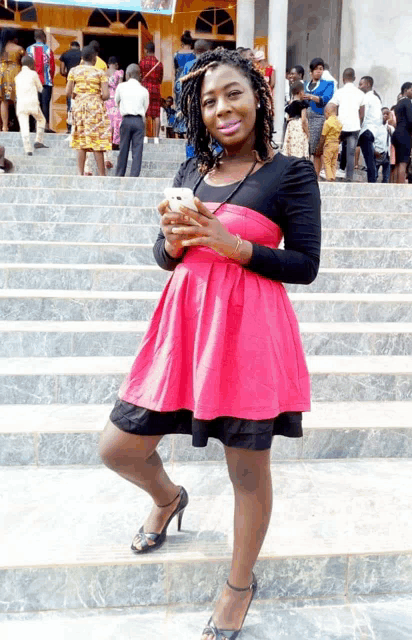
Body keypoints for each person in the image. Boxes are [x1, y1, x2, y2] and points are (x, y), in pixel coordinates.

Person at [98, 47, 320, 640]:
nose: (222, 107)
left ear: (258, 98)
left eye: (234, 93)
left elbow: (305, 264)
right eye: (209, 99)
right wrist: (173, 241)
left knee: (247, 472)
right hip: (183, 331)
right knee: (118, 447)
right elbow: (165, 257)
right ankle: (168, 498)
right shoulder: (191, 171)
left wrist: (231, 243)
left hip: (249, 335)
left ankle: (239, 584)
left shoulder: (290, 173)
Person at [66, 45, 111, 176]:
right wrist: (96, 97)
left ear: (81, 58)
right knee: (96, 140)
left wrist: (78, 96)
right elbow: (107, 95)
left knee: (81, 140)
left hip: (79, 108)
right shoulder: (100, 73)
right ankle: (102, 175)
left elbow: (68, 92)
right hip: (95, 108)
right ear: (94, 59)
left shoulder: (74, 71)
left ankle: (80, 173)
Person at [330, 67, 366, 181]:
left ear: (343, 79)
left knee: (334, 149)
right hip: (354, 126)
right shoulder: (360, 93)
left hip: (340, 125)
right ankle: (349, 178)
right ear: (354, 78)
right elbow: (362, 113)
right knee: (350, 153)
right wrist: (358, 123)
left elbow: (333, 108)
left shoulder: (339, 92)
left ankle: (331, 173)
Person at [115, 63, 149, 178]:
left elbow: (116, 101)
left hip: (126, 120)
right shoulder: (144, 90)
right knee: (137, 151)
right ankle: (134, 176)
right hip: (139, 121)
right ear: (139, 75)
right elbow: (146, 107)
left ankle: (120, 174)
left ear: (128, 74)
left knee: (123, 148)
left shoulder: (121, 87)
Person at [304, 57, 335, 175]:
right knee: (305, 147)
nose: (319, 71)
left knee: (316, 149)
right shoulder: (305, 84)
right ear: (311, 71)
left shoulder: (328, 84)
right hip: (305, 118)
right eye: (316, 69)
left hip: (318, 117)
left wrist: (311, 97)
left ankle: (315, 176)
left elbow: (325, 99)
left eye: (321, 69)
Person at [14, 55, 48, 156]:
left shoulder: (17, 76)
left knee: (24, 126)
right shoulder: (33, 74)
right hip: (32, 103)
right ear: (31, 64)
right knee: (41, 120)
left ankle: (28, 149)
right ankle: (38, 140)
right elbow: (40, 88)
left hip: (20, 104)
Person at [26, 29, 55, 132]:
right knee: (45, 104)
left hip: (33, 82)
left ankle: (36, 126)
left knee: (35, 104)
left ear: (35, 38)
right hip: (46, 82)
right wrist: (51, 79)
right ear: (44, 37)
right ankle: (46, 126)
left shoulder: (29, 50)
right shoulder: (48, 50)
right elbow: (52, 67)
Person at [358, 75, 383, 183]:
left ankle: (372, 180)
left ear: (368, 84)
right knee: (369, 157)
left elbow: (363, 115)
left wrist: (358, 127)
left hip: (366, 130)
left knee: (368, 158)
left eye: (360, 84)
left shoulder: (367, 98)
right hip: (373, 130)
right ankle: (373, 178)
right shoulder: (376, 98)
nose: (359, 87)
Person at [0, 28, 24, 132]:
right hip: (15, 74)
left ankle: (4, 126)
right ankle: (21, 126)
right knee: (17, 100)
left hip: (1, 73)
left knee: (3, 100)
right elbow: (27, 62)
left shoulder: (1, 48)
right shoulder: (19, 49)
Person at [391, 82, 412, 183]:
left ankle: (396, 184)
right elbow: (410, 120)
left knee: (397, 162)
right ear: (405, 91)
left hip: (396, 133)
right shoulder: (408, 102)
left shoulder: (398, 104)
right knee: (403, 162)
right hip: (405, 134)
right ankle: (401, 187)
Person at [139, 41, 163, 142]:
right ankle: (156, 138)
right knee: (156, 114)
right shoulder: (159, 64)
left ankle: (145, 137)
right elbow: (160, 79)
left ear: (146, 50)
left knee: (144, 113)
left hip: (145, 89)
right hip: (156, 89)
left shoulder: (142, 62)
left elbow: (139, 76)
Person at [173, 30, 195, 139]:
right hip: (190, 81)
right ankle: (188, 130)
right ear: (191, 43)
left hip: (179, 82)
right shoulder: (194, 55)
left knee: (179, 105)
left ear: (182, 42)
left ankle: (178, 131)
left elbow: (175, 69)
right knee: (189, 105)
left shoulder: (176, 54)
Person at [282, 80, 309, 158]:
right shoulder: (303, 104)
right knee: (300, 149)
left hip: (291, 127)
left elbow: (287, 119)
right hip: (299, 127)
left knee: (291, 149)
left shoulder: (289, 106)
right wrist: (307, 133)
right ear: (300, 92)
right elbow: (304, 120)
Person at [317, 102, 342, 181]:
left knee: (327, 161)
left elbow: (323, 136)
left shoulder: (327, 122)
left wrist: (320, 147)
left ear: (327, 112)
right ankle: (333, 176)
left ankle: (329, 177)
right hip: (336, 144)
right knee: (334, 162)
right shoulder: (339, 122)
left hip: (328, 144)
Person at [60, 41, 81, 133]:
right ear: (79, 47)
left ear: (70, 46)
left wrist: (68, 75)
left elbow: (62, 71)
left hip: (70, 82)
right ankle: (79, 127)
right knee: (80, 104)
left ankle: (69, 128)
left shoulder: (65, 55)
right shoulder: (82, 55)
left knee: (70, 105)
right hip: (81, 83)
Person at [374, 107, 395, 183]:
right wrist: (374, 150)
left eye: (387, 114)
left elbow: (394, 136)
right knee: (374, 174)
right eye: (384, 114)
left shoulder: (390, 128)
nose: (385, 115)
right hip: (378, 153)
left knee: (386, 177)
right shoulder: (376, 127)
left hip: (387, 154)